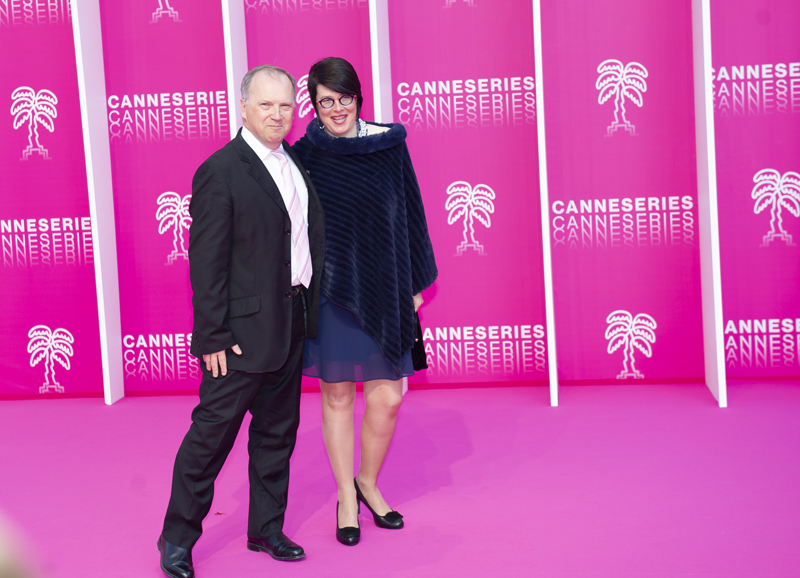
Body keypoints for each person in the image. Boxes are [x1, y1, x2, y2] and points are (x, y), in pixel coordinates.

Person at [158, 65, 325, 578]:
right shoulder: (221, 170)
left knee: (278, 433)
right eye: (266, 104)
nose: (277, 115)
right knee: (210, 440)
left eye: (285, 105)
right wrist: (211, 335)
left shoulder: (294, 161)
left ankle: (266, 529)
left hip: (291, 320)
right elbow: (206, 262)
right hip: (237, 338)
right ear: (244, 107)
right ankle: (176, 540)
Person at [292, 57, 438, 547]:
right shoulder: (306, 155)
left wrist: (414, 285)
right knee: (336, 397)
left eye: (345, 98)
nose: (337, 109)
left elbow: (412, 211)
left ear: (359, 97)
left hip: (385, 288)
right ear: (313, 105)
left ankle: (367, 481)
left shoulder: (389, 145)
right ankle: (347, 498)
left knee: (388, 398)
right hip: (332, 293)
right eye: (325, 101)